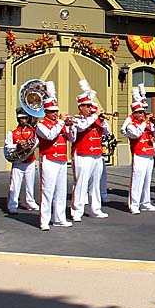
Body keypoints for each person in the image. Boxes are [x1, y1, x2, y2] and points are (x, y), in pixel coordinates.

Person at [68, 90, 109, 221]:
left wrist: (102, 120)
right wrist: (94, 117)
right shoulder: (76, 119)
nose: (90, 109)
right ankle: (77, 212)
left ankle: (95, 209)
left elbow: (106, 132)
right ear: (80, 107)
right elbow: (81, 127)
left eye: (91, 106)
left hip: (97, 154)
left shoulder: (96, 119)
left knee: (95, 184)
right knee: (81, 184)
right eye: (87, 106)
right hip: (82, 154)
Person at [36, 99, 73, 231]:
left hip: (62, 159)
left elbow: (72, 139)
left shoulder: (60, 124)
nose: (55, 114)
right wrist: (62, 122)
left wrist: (70, 126)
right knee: (47, 190)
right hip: (49, 159)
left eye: (56, 111)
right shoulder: (41, 125)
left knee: (61, 191)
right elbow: (50, 136)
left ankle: (59, 218)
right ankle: (44, 220)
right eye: (52, 111)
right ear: (46, 112)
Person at [124, 101, 155, 214]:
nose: (142, 115)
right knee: (137, 180)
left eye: (143, 112)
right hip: (139, 154)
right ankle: (134, 204)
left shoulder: (148, 124)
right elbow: (136, 134)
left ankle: (145, 202)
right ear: (134, 114)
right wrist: (145, 123)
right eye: (139, 113)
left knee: (147, 180)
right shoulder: (131, 126)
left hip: (149, 154)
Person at [4, 108, 39, 214]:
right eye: (20, 118)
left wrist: (31, 144)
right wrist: (18, 146)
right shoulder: (13, 132)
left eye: (24, 118)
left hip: (30, 160)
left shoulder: (33, 131)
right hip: (18, 162)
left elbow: (38, 142)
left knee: (30, 184)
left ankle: (30, 202)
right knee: (15, 184)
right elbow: (7, 146)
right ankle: (12, 204)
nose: (22, 120)